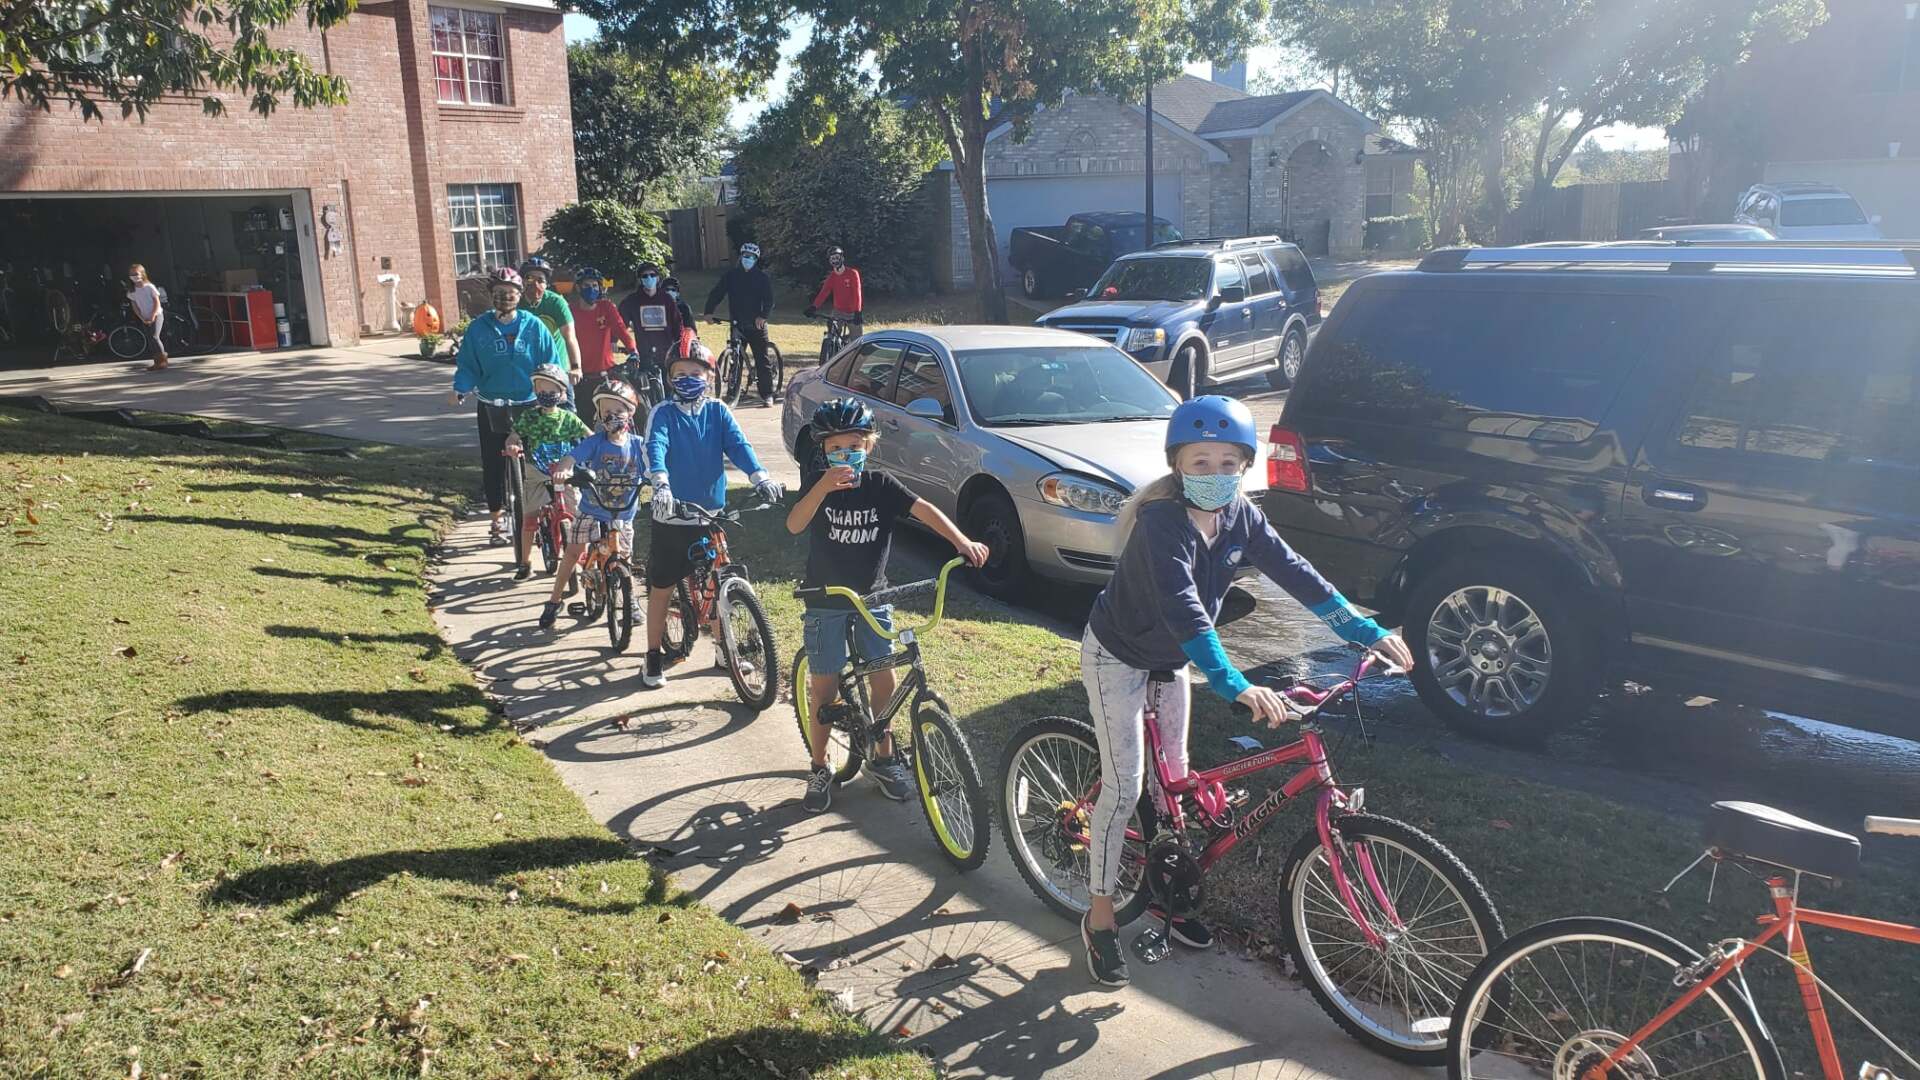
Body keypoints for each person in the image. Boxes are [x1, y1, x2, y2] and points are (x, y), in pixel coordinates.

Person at [1076, 395, 1416, 988]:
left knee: (1175, 780)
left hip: (1171, 659)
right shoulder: (1162, 525)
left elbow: (1299, 576)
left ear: (1245, 466)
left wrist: (1367, 631)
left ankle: (1167, 896)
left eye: (1229, 462)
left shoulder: (1242, 517)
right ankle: (1100, 919)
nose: (1215, 475)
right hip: (1119, 655)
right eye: (1201, 462)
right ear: (1177, 465)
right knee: (1127, 784)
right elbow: (1188, 614)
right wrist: (1236, 684)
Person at [786, 398, 988, 813]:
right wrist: (822, 487)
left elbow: (924, 509)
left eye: (855, 447)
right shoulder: (817, 484)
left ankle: (883, 756)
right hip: (826, 600)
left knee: (885, 679)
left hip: (872, 597)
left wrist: (961, 541)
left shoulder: (880, 485)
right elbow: (794, 524)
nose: (846, 456)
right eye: (837, 449)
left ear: (870, 447)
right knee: (824, 687)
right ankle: (820, 765)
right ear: (823, 451)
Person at [641, 341, 784, 687]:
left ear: (709, 376)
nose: (688, 379)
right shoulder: (663, 412)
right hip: (672, 519)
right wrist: (661, 485)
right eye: (680, 374)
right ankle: (652, 655)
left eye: (695, 373)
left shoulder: (718, 411)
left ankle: (724, 649)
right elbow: (655, 447)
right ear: (670, 378)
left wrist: (759, 475)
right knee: (661, 589)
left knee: (717, 582)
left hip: (709, 516)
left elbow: (738, 445)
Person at [449, 267, 566, 546]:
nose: (505, 299)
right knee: (492, 462)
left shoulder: (533, 325)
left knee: (539, 459)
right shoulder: (479, 329)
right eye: (499, 294)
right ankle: (496, 520)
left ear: (519, 296)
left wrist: (557, 388)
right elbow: (468, 365)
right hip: (492, 404)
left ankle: (543, 514)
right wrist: (460, 389)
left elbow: (550, 361)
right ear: (491, 296)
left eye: (511, 294)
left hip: (529, 402)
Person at [543, 378, 647, 631]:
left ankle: (630, 601)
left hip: (623, 513)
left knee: (624, 557)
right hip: (592, 508)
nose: (612, 416)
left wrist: (661, 477)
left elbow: (655, 462)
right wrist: (564, 469)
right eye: (606, 412)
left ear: (631, 413)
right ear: (599, 415)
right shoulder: (596, 442)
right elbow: (572, 457)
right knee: (573, 551)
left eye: (619, 411)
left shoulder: (637, 444)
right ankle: (554, 601)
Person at [502, 363, 593, 580]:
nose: (547, 395)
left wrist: (597, 448)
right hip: (538, 471)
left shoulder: (568, 418)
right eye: (542, 391)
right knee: (530, 517)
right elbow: (514, 436)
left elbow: (589, 436)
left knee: (579, 514)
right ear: (535, 391)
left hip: (565, 472)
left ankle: (586, 560)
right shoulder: (530, 417)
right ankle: (524, 561)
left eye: (552, 391)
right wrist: (513, 445)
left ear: (562, 394)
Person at [701, 242, 777, 407]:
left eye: (751, 257)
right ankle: (732, 392)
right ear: (740, 257)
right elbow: (717, 293)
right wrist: (708, 312)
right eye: (745, 256)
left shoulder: (762, 278)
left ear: (756, 259)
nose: (747, 259)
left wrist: (763, 317)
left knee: (761, 360)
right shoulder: (731, 276)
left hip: (756, 325)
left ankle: (767, 394)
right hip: (737, 323)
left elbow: (769, 300)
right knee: (736, 359)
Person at [566, 266, 638, 426]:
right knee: (582, 420)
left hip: (608, 374)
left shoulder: (606, 307)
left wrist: (633, 351)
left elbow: (621, 330)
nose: (591, 289)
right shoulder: (570, 311)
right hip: (581, 377)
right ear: (578, 288)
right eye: (586, 286)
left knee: (637, 406)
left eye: (594, 285)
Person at [616, 260, 686, 385]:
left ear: (658, 278)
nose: (649, 278)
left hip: (666, 354)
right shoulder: (632, 301)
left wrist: (679, 346)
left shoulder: (667, 299)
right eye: (645, 276)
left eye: (652, 275)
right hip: (645, 354)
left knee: (670, 389)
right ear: (640, 279)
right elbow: (620, 323)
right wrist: (613, 340)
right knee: (649, 391)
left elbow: (677, 324)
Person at [517, 257, 583, 385]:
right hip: (527, 371)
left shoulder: (556, 302)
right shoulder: (516, 303)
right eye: (530, 278)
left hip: (557, 369)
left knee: (566, 404)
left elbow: (570, 338)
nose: (535, 284)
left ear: (546, 284)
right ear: (523, 282)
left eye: (540, 280)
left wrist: (576, 367)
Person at [803, 246, 863, 333]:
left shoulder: (853, 273)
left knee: (857, 341)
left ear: (842, 258)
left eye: (837, 257)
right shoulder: (831, 277)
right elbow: (823, 293)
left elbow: (857, 293)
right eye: (832, 258)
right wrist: (813, 307)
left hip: (852, 313)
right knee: (831, 334)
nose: (835, 260)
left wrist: (857, 312)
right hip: (838, 312)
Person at [127, 264, 167, 372]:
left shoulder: (149, 287)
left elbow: (156, 302)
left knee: (155, 336)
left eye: (136, 274)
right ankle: (156, 362)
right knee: (150, 338)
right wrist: (141, 317)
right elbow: (134, 305)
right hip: (144, 317)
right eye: (131, 274)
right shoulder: (132, 290)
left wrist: (153, 315)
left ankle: (162, 360)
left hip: (156, 314)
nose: (134, 276)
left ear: (142, 274)